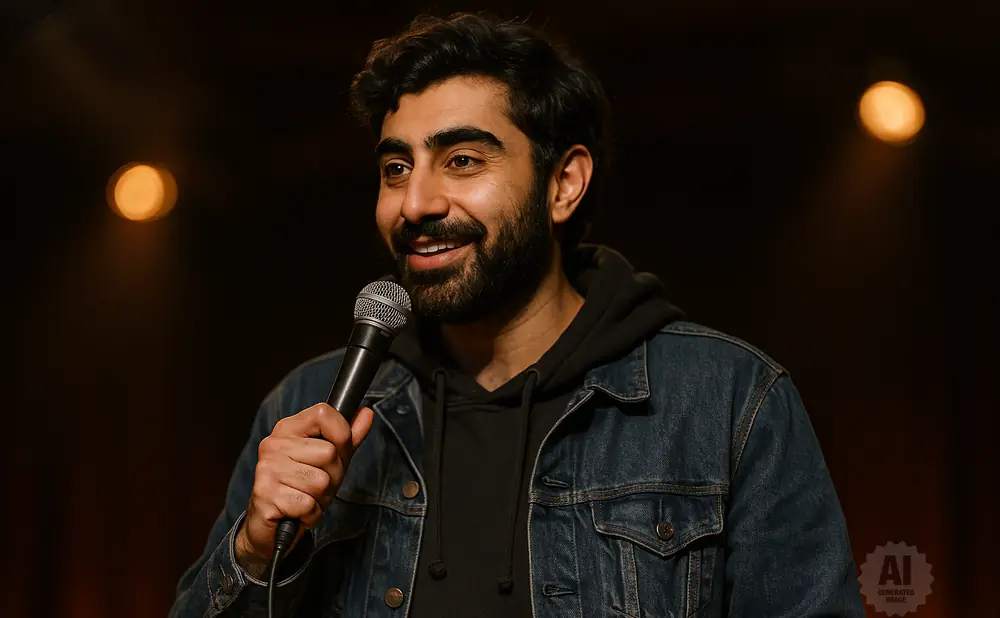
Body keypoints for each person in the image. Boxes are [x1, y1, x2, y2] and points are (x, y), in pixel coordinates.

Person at [170, 12, 866, 618]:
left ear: (564, 184)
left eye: (462, 159)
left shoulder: (727, 404)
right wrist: (255, 551)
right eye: (395, 168)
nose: (416, 204)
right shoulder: (306, 406)